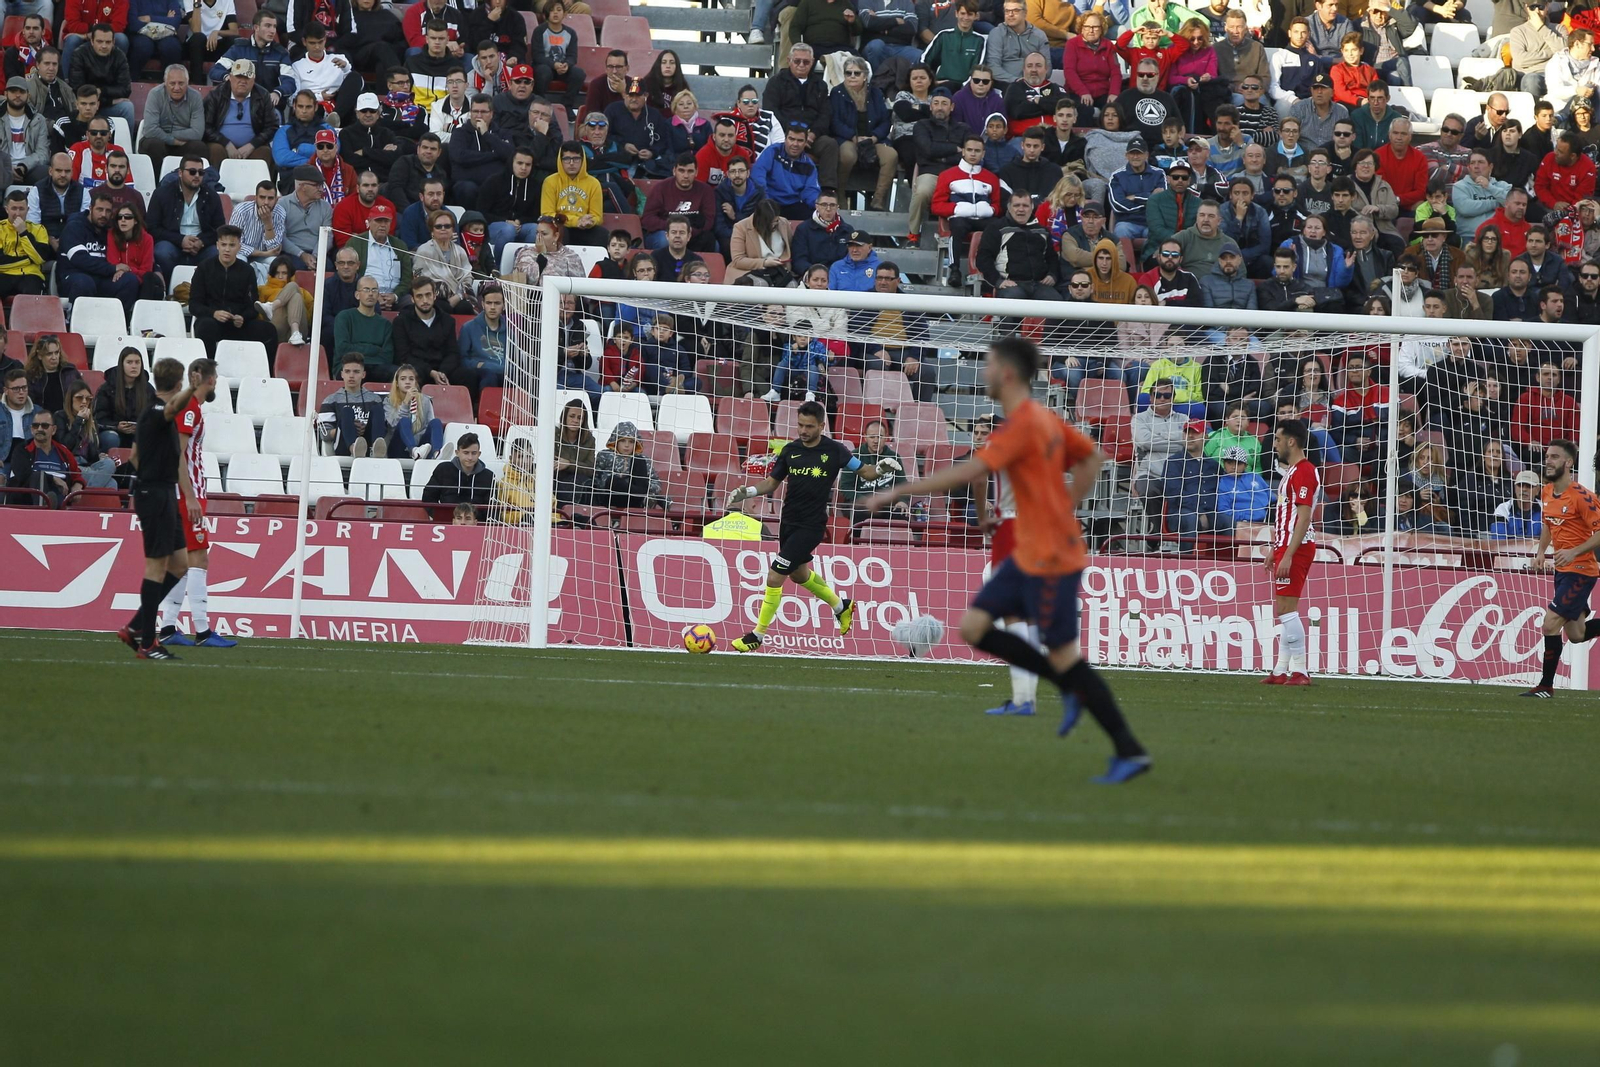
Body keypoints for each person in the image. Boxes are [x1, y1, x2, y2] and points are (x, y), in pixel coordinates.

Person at [862, 336, 1150, 781]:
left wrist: (900, 489)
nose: (983, 373)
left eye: (989, 365)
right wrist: (1064, 506)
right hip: (1033, 547)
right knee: (977, 627)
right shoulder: (1042, 419)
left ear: (1008, 373)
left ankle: (1126, 748)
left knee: (1062, 655)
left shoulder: (1024, 425)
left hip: (1051, 554)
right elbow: (1093, 459)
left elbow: (973, 472)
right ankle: (1065, 694)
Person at [723, 400, 876, 651]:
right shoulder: (790, 450)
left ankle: (757, 635)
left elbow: (865, 472)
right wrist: (747, 491)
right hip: (789, 522)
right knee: (799, 574)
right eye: (800, 425)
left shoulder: (836, 451)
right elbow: (771, 483)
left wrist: (879, 469)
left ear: (822, 426)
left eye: (809, 426)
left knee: (775, 576)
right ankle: (842, 606)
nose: (803, 431)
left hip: (812, 525)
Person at [147, 357, 237, 648]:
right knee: (198, 557)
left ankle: (169, 627)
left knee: (184, 561)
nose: (215, 384)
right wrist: (189, 496)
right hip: (187, 493)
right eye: (214, 379)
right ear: (205, 379)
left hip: (184, 492)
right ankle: (201, 630)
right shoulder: (190, 408)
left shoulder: (190, 407)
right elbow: (178, 454)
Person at [114, 357, 197, 661]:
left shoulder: (152, 414)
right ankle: (148, 642)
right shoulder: (160, 410)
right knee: (155, 567)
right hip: (155, 494)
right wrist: (195, 387)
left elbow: (135, 455)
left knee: (179, 564)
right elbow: (174, 408)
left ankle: (136, 625)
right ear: (176, 384)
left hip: (162, 491)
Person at [1524, 439, 1600, 697]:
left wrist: (1574, 551)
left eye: (1555, 456)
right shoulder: (1546, 492)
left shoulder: (1582, 497)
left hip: (1581, 570)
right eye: (1547, 456)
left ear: (1568, 463)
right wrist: (1541, 552)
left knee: (1550, 624)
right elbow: (1548, 523)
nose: (1548, 460)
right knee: (1577, 635)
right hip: (1562, 570)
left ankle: (1545, 686)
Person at [1260, 417, 1318, 686]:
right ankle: (1281, 670)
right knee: (1285, 609)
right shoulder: (1292, 473)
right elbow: (1287, 516)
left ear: (1291, 441)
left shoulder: (1305, 471)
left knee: (1286, 610)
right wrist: (1276, 549)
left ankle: (1301, 671)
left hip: (1297, 547)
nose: (1275, 445)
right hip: (1286, 545)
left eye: (1278, 439)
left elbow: (1304, 517)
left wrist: (1289, 554)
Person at [189, 225, 280, 358]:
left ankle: (267, 374)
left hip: (238, 324)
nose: (227, 249)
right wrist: (213, 313)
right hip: (212, 321)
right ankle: (209, 368)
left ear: (239, 247)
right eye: (223, 244)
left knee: (268, 330)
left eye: (232, 245)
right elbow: (194, 305)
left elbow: (252, 306)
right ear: (217, 245)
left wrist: (243, 317)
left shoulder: (247, 271)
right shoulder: (204, 268)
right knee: (205, 326)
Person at [147, 150, 224, 279]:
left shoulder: (211, 196)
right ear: (180, 173)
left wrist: (202, 241)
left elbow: (220, 229)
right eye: (192, 172)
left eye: (201, 173)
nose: (197, 176)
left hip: (202, 246)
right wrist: (180, 240)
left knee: (217, 253)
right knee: (162, 251)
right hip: (173, 243)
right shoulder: (162, 194)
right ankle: (166, 288)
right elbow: (152, 227)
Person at [59, 189, 140, 312]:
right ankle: (73, 320)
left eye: (108, 211)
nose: (104, 215)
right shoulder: (74, 227)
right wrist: (113, 268)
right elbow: (79, 259)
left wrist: (155, 269)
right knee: (84, 282)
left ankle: (118, 321)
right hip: (74, 276)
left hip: (102, 278)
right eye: (99, 209)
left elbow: (136, 246)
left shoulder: (110, 230)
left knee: (130, 280)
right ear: (90, 208)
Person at [395, 276, 475, 394]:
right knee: (409, 376)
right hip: (418, 370)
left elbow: (452, 353)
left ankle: (467, 411)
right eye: (419, 296)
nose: (425, 300)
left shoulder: (447, 321)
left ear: (435, 295)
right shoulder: (401, 321)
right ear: (412, 299)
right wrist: (430, 372)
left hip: (443, 369)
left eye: (428, 295)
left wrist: (442, 372)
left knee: (468, 376)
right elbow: (403, 356)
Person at [318, 353, 388, 456]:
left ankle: (375, 449)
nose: (351, 375)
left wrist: (364, 426)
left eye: (356, 372)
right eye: (347, 371)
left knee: (377, 409)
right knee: (347, 411)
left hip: (368, 444)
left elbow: (384, 428)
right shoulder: (331, 400)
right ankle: (354, 449)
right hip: (343, 447)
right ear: (342, 374)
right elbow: (323, 434)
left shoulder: (375, 399)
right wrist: (350, 427)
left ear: (363, 374)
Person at [334, 275, 396, 379]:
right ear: (357, 295)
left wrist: (357, 347)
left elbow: (387, 356)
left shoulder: (385, 324)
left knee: (398, 374)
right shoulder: (344, 317)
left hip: (378, 367)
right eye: (366, 290)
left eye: (374, 290)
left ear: (378, 295)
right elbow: (343, 349)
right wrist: (374, 349)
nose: (371, 294)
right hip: (349, 366)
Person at [412, 208, 474, 313]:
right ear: (432, 230)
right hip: (432, 296)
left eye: (447, 226)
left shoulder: (460, 251)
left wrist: (458, 296)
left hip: (459, 294)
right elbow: (420, 280)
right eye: (438, 226)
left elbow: (467, 277)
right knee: (443, 308)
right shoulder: (423, 251)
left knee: (465, 307)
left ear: (453, 229)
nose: (443, 229)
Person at [94, 346, 154, 450]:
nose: (134, 366)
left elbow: (155, 416)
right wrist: (117, 426)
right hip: (112, 432)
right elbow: (98, 419)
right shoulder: (107, 388)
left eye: (137, 362)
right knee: (111, 438)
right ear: (121, 365)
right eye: (129, 362)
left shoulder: (148, 389)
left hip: (138, 433)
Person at [421, 429, 494, 514]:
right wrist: (440, 517)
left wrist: (474, 522)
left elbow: (491, 508)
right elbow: (428, 498)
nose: (470, 457)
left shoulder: (489, 476)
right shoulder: (443, 469)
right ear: (457, 452)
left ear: (479, 454)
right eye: (466, 453)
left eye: (474, 453)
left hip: (477, 524)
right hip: (446, 523)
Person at [384, 363, 444, 459]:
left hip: (422, 447)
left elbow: (430, 425)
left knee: (436, 422)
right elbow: (392, 426)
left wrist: (419, 441)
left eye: (411, 379)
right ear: (397, 383)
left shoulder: (425, 400)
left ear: (416, 382)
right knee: (404, 421)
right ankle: (413, 450)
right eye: (403, 379)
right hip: (398, 446)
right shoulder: (389, 401)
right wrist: (405, 403)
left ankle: (437, 453)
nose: (407, 382)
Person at [106, 201, 163, 302]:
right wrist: (124, 270)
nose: (123, 220)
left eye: (127, 217)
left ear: (136, 220)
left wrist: (127, 269)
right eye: (120, 217)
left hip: (141, 281)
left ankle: (142, 313)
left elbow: (146, 270)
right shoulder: (111, 235)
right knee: (129, 282)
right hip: (120, 279)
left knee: (150, 279)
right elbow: (113, 262)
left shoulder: (147, 239)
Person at [0, 187, 50, 297]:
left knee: (33, 293)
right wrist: (29, 260)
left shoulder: (39, 229)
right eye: (14, 208)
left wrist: (23, 233)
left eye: (21, 209)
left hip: (31, 275)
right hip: (3, 274)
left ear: (27, 210)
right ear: (6, 209)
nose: (17, 213)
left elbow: (40, 258)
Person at [257, 255, 310, 346]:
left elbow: (309, 316)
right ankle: (295, 332)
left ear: (290, 274)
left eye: (284, 273)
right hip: (276, 330)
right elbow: (259, 315)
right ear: (272, 273)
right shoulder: (263, 290)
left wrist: (294, 308)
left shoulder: (302, 291)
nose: (280, 276)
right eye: (277, 273)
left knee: (295, 292)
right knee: (295, 293)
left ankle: (272, 306)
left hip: (301, 332)